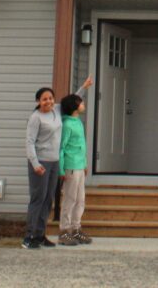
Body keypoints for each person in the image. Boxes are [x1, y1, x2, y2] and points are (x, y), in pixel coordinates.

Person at [23, 76, 93, 249]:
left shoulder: (56, 110)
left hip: (54, 162)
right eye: (44, 99)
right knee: (38, 199)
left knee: (48, 199)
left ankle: (40, 235)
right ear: (38, 101)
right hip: (40, 163)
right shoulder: (36, 117)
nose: (48, 101)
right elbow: (30, 142)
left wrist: (83, 87)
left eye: (50, 98)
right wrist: (35, 163)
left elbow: (72, 101)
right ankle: (29, 236)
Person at [57, 93, 91, 246]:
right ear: (74, 107)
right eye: (80, 102)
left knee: (80, 199)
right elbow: (62, 147)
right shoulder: (67, 125)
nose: (83, 104)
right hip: (70, 166)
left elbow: (81, 146)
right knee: (69, 199)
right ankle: (65, 231)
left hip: (79, 166)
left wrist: (84, 164)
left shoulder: (78, 122)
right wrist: (61, 170)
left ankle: (76, 228)